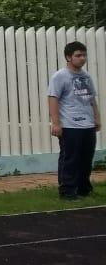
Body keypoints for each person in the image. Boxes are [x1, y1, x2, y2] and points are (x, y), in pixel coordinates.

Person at [47, 40, 99, 200]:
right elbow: (52, 98)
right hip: (70, 125)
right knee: (70, 159)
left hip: (87, 125)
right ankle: (68, 191)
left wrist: (97, 117)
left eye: (84, 55)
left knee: (86, 159)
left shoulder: (86, 76)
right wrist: (56, 123)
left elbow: (91, 99)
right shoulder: (60, 76)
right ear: (68, 57)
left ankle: (84, 189)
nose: (82, 58)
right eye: (78, 55)